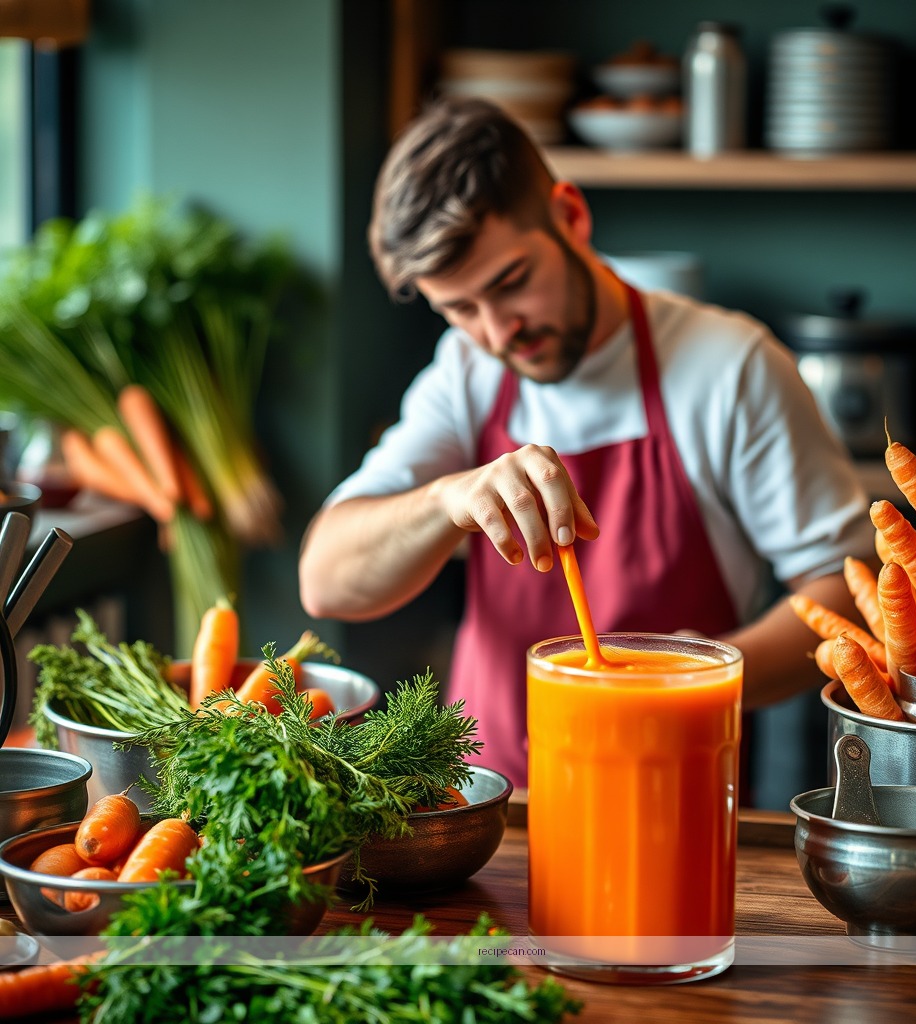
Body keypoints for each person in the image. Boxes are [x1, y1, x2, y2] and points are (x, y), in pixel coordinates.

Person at [299, 96, 877, 791]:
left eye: (511, 282)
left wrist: (688, 678)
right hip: (486, 805)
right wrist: (449, 499)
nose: (497, 332)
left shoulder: (731, 369)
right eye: (459, 308)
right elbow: (326, 579)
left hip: (672, 789)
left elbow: (850, 594)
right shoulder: (466, 371)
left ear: (570, 215)